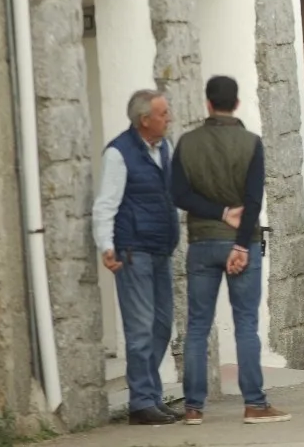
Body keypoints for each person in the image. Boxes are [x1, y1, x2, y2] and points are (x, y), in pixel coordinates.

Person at [170, 76, 291, 425]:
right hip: (243, 243)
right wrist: (240, 242)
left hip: (202, 243)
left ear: (207, 104)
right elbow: (253, 200)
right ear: (236, 104)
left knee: (197, 327)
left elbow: (178, 195)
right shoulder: (250, 143)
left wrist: (218, 213)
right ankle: (254, 403)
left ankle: (193, 407)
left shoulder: (187, 144)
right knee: (245, 325)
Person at [92, 89, 182, 425]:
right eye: (163, 113)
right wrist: (106, 246)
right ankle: (141, 402)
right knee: (140, 328)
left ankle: (151, 396)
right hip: (133, 251)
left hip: (160, 249)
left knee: (161, 326)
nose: (168, 118)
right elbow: (105, 203)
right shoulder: (119, 153)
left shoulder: (165, 149)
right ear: (145, 120)